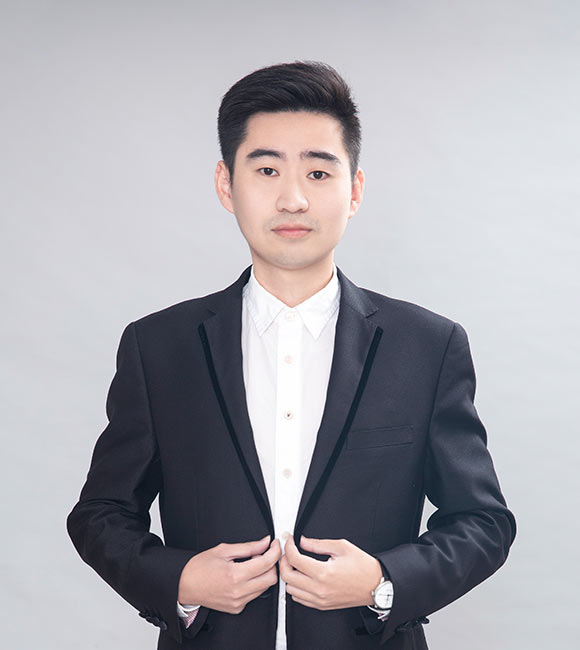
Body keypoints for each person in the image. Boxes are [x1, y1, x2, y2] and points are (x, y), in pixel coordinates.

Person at [67, 61, 516, 650]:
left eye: (318, 172)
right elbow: (100, 513)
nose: (294, 198)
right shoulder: (159, 347)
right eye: (267, 169)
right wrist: (179, 580)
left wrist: (383, 582)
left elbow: (484, 521)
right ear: (226, 185)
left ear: (354, 190)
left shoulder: (427, 347)